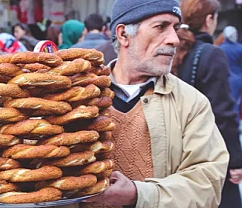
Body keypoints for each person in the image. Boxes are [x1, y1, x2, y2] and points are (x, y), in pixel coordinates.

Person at [80, 0, 229, 207]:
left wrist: (139, 194)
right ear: (123, 34)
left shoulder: (191, 103)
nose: (174, 39)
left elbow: (207, 184)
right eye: (161, 27)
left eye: (176, 28)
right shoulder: (78, 98)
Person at [172, 1, 242, 207]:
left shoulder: (174, 50)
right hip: (208, 155)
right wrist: (236, 161)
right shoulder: (211, 54)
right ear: (209, 19)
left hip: (176, 154)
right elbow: (223, 113)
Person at [219, 26, 242, 119]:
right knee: (237, 102)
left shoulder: (220, 48)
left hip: (224, 78)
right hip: (238, 78)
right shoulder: (240, 48)